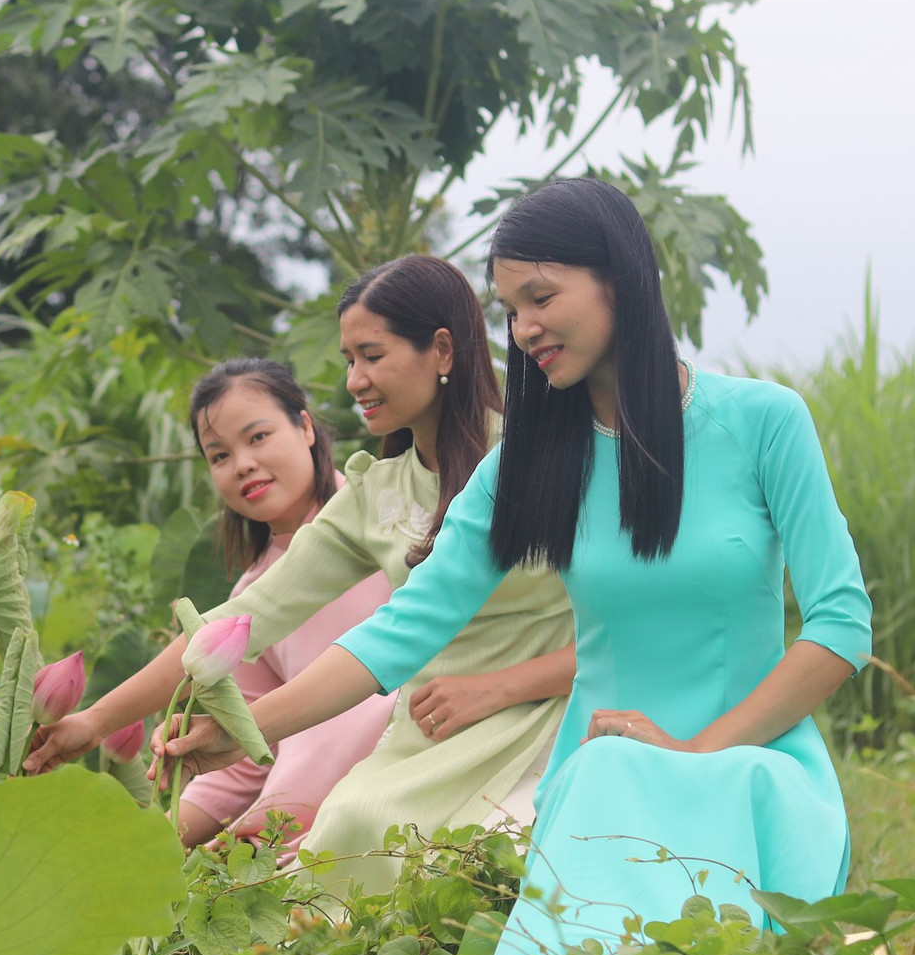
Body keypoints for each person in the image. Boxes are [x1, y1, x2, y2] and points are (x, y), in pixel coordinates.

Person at [152, 178, 872, 955]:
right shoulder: (524, 467)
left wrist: (697, 754)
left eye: (541, 297)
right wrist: (249, 727)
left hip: (755, 769)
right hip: (600, 775)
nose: (524, 330)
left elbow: (841, 624)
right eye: (510, 309)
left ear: (620, 279)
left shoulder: (763, 422)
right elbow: (403, 629)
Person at [29, 255, 578, 896]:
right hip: (430, 735)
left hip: (549, 716)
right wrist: (91, 722)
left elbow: (630, 623)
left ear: (441, 349)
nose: (354, 380)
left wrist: (500, 687)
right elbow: (241, 621)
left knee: (487, 862)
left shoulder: (542, 464)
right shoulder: (377, 494)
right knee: (345, 838)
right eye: (349, 360)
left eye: (371, 356)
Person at [174, 358, 396, 847]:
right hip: (294, 830)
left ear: (305, 426)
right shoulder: (246, 606)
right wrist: (151, 839)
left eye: (257, 437)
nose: (243, 464)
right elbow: (244, 759)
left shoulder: (392, 514)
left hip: (409, 784)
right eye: (219, 456)